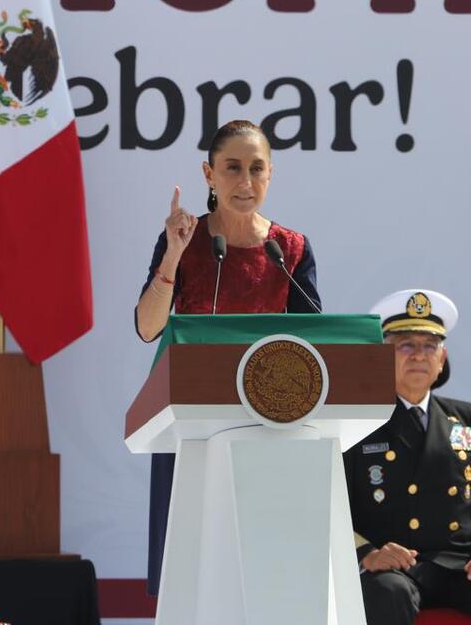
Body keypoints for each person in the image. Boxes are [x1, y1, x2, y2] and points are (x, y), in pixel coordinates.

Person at [134, 119, 322, 594]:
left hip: (270, 428)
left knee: (263, 579)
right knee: (193, 579)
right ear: (208, 174)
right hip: (192, 430)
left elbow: (317, 346)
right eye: (232, 168)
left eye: (257, 169)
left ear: (271, 174)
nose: (245, 182)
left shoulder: (290, 249)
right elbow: (148, 327)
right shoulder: (185, 239)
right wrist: (173, 256)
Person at [343, 289, 471, 625]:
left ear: (442, 358)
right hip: (392, 568)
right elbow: (332, 509)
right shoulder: (356, 423)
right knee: (389, 593)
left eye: (429, 346)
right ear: (381, 355)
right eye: (405, 345)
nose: (419, 355)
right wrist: (367, 554)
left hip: (458, 566)